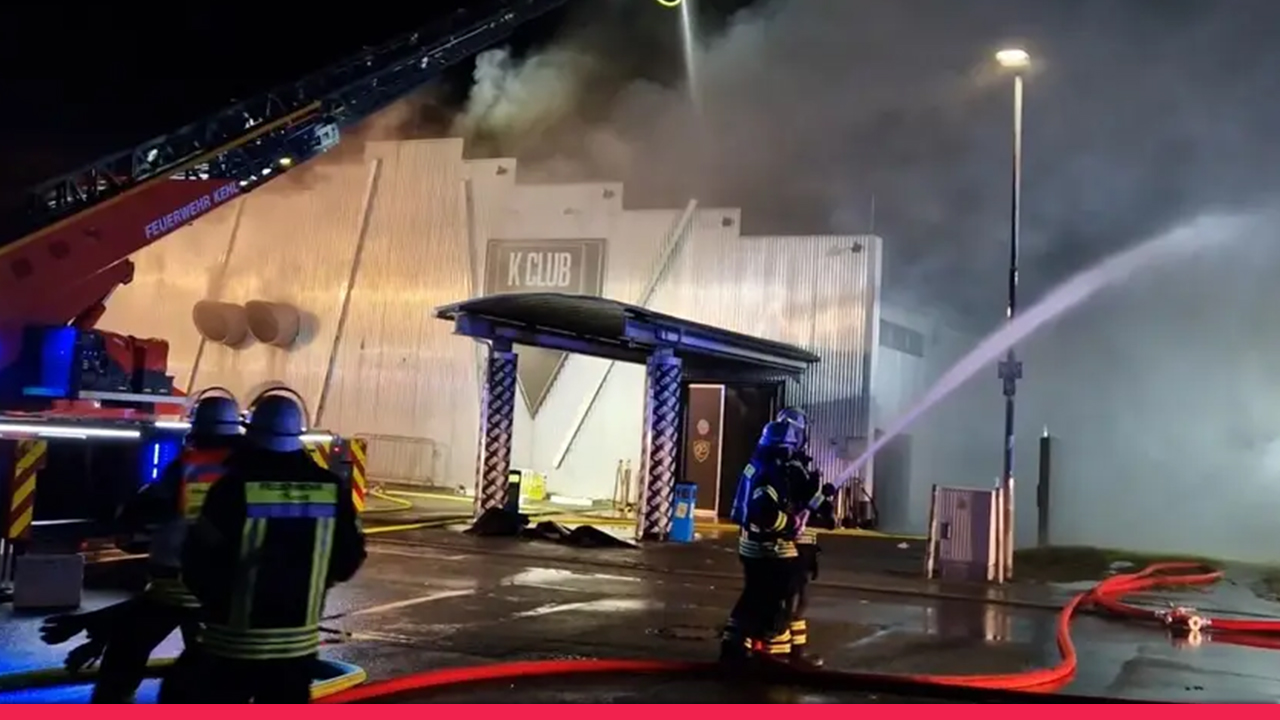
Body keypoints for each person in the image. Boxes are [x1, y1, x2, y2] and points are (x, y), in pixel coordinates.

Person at [162, 389, 366, 703]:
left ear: (252, 435)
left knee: (178, 693)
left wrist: (215, 603)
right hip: (297, 650)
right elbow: (349, 557)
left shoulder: (233, 487)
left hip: (231, 645)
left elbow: (198, 561)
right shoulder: (331, 488)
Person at [41, 392, 243, 703]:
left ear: (197, 428)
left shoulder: (188, 468)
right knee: (207, 664)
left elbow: (144, 511)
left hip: (174, 584)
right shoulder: (248, 471)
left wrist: (129, 513)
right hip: (224, 588)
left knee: (127, 655)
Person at [720, 420, 805, 664]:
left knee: (752, 598)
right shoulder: (771, 472)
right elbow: (764, 514)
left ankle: (733, 649)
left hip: (751, 546)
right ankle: (770, 655)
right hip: (767, 549)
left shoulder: (756, 465)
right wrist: (790, 523)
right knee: (776, 601)